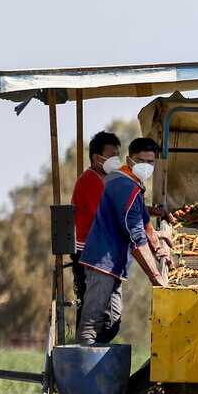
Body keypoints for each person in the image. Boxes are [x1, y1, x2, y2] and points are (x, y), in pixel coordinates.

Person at [76, 137, 170, 345]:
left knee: (111, 322)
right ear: (129, 159)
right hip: (102, 262)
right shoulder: (123, 185)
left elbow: (144, 223)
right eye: (141, 160)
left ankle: (98, 362)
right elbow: (136, 236)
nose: (146, 166)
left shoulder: (132, 183)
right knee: (92, 323)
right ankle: (83, 372)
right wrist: (156, 277)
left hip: (114, 263)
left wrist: (158, 247)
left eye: (151, 162)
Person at [70, 131, 121, 322]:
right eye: (111, 156)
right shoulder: (90, 181)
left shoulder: (105, 181)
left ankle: (91, 347)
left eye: (117, 155)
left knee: (110, 317)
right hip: (91, 255)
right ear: (96, 158)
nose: (116, 161)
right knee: (99, 315)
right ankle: (86, 349)